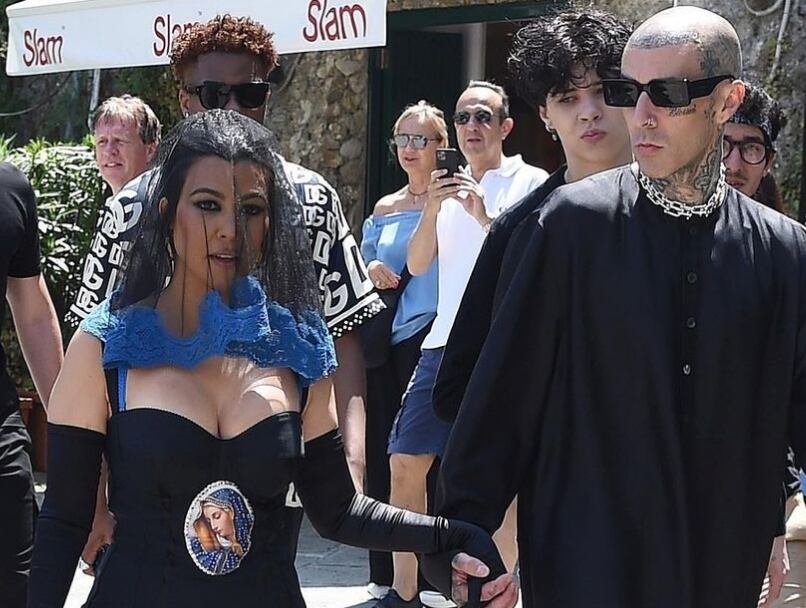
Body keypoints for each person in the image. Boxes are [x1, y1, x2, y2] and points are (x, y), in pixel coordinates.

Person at [26, 110, 516, 608]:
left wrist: (451, 538)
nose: (230, 229)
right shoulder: (106, 345)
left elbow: (338, 511)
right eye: (207, 205)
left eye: (252, 209)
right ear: (167, 212)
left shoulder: (296, 346)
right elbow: (63, 521)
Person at [422, 7, 806, 608]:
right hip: (586, 562)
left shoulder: (783, 250)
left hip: (721, 566)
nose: (641, 114)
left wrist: (776, 517)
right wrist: (463, 533)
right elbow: (500, 399)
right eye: (630, 91)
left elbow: (788, 405)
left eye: (668, 94)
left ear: (727, 101)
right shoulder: (565, 226)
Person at [67, 14, 381, 571]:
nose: (232, 108)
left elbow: (343, 332)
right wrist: (91, 501)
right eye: (213, 93)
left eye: (249, 93)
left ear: (268, 97)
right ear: (184, 99)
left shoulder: (312, 201)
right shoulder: (134, 207)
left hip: (271, 451)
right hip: (157, 463)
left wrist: (350, 462)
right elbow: (93, 359)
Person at [384, 81, 546, 608]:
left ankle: (494, 593)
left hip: (502, 347)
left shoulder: (530, 181)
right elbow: (417, 265)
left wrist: (484, 217)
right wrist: (433, 207)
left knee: (505, 478)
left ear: (506, 127)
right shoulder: (443, 187)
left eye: (483, 117)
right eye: (462, 118)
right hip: (443, 344)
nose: (471, 127)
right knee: (405, 463)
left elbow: (532, 258)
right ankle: (403, 592)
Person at [432, 7, 633, 424]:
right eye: (568, 98)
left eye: (603, 91)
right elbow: (460, 386)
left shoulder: (684, 211)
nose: (589, 111)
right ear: (545, 114)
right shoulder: (519, 229)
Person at [75, 94, 162, 571]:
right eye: (102, 142)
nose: (108, 151)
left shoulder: (157, 211)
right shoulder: (113, 209)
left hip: (142, 394)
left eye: (120, 142)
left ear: (150, 148)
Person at [360, 100, 444, 600]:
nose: (410, 149)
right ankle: (384, 571)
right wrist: (371, 267)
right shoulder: (384, 207)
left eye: (421, 139)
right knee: (381, 452)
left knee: (424, 457)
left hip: (431, 334)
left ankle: (431, 573)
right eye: (403, 139)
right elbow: (363, 262)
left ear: (441, 147)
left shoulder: (452, 201)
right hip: (385, 339)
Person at [0, 162, 63, 607]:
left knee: (21, 586)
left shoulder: (9, 188)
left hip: (2, 441)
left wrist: (73, 434)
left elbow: (33, 310)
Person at [723, 81, 787, 212]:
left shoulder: (776, 225)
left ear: (768, 162)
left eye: (751, 149)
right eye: (722, 146)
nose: (734, 167)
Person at [92, 95, 161, 196]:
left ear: (150, 151)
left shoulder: (165, 203)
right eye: (102, 141)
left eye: (119, 140)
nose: (108, 151)